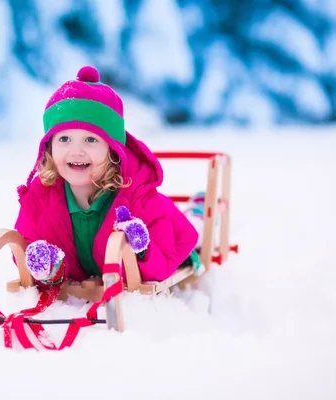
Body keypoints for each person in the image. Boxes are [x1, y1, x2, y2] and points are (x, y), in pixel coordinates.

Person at [14, 65, 199, 286]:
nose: (76, 151)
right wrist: (48, 267)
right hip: (95, 267)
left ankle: (199, 212)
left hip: (176, 237)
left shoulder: (138, 198)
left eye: (90, 140)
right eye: (64, 139)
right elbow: (28, 241)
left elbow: (162, 265)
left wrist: (142, 249)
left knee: (197, 232)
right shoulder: (41, 199)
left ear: (112, 149)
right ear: (49, 148)